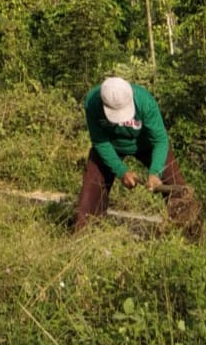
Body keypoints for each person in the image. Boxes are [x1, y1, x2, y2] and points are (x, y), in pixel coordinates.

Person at [75, 76, 189, 233]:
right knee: (91, 189)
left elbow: (160, 140)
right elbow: (100, 142)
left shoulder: (144, 101)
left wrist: (155, 172)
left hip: (147, 144)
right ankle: (86, 234)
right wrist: (121, 171)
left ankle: (186, 230)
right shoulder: (92, 103)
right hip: (111, 145)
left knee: (175, 184)